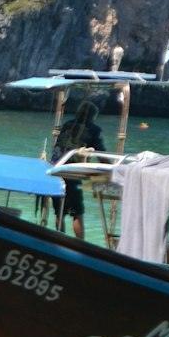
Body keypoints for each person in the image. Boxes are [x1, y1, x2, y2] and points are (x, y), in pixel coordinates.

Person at [50, 100, 105, 239]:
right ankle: (80, 246)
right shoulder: (93, 130)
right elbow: (101, 154)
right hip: (73, 173)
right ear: (93, 116)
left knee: (59, 212)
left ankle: (59, 241)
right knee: (77, 212)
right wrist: (113, 168)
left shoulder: (67, 125)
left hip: (56, 170)